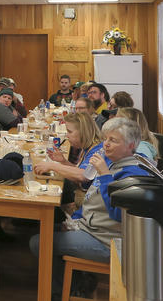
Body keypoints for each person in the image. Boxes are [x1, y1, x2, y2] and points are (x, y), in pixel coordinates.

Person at [30, 118, 149, 300]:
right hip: (92, 229)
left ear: (131, 145)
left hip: (108, 242)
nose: (106, 144)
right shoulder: (112, 162)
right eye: (105, 138)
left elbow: (118, 215)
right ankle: (79, 279)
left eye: (113, 140)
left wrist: (105, 175)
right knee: (47, 227)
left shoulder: (135, 174)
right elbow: (90, 199)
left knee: (39, 242)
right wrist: (74, 221)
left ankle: (63, 291)